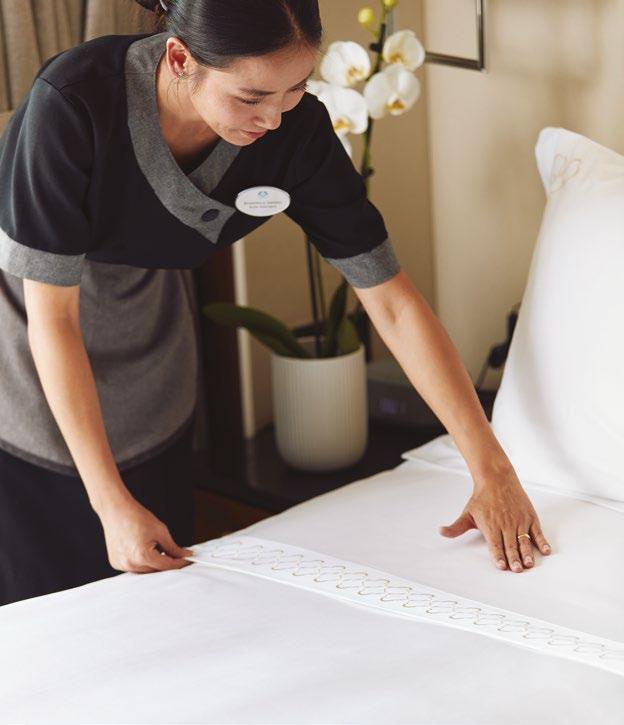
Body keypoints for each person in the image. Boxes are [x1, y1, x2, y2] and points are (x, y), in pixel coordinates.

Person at [0, 0, 551, 607]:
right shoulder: (74, 101)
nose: (273, 118)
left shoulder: (297, 130)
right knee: (48, 603)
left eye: (296, 88)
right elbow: (53, 320)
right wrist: (108, 502)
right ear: (180, 59)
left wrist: (491, 468)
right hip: (32, 350)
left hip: (151, 344)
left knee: (155, 600)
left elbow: (392, 302)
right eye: (251, 96)